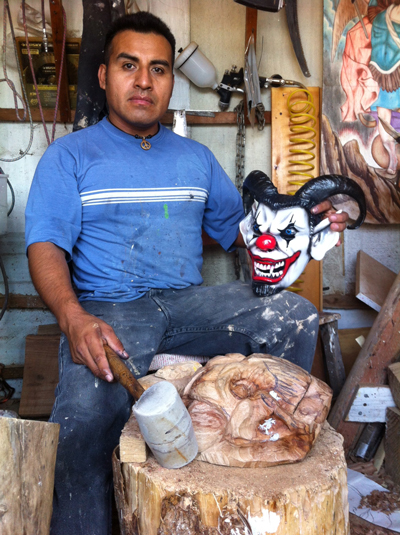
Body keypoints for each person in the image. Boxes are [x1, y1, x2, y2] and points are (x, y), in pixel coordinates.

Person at [25, 12, 349, 535]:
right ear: (105, 75)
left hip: (186, 302)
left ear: (170, 80)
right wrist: (72, 318)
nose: (144, 81)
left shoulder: (196, 160)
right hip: (111, 308)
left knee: (293, 314)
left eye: (158, 68)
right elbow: (44, 246)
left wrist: (309, 230)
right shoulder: (70, 158)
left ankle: (264, 450)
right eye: (129, 65)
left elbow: (250, 237)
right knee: (82, 430)